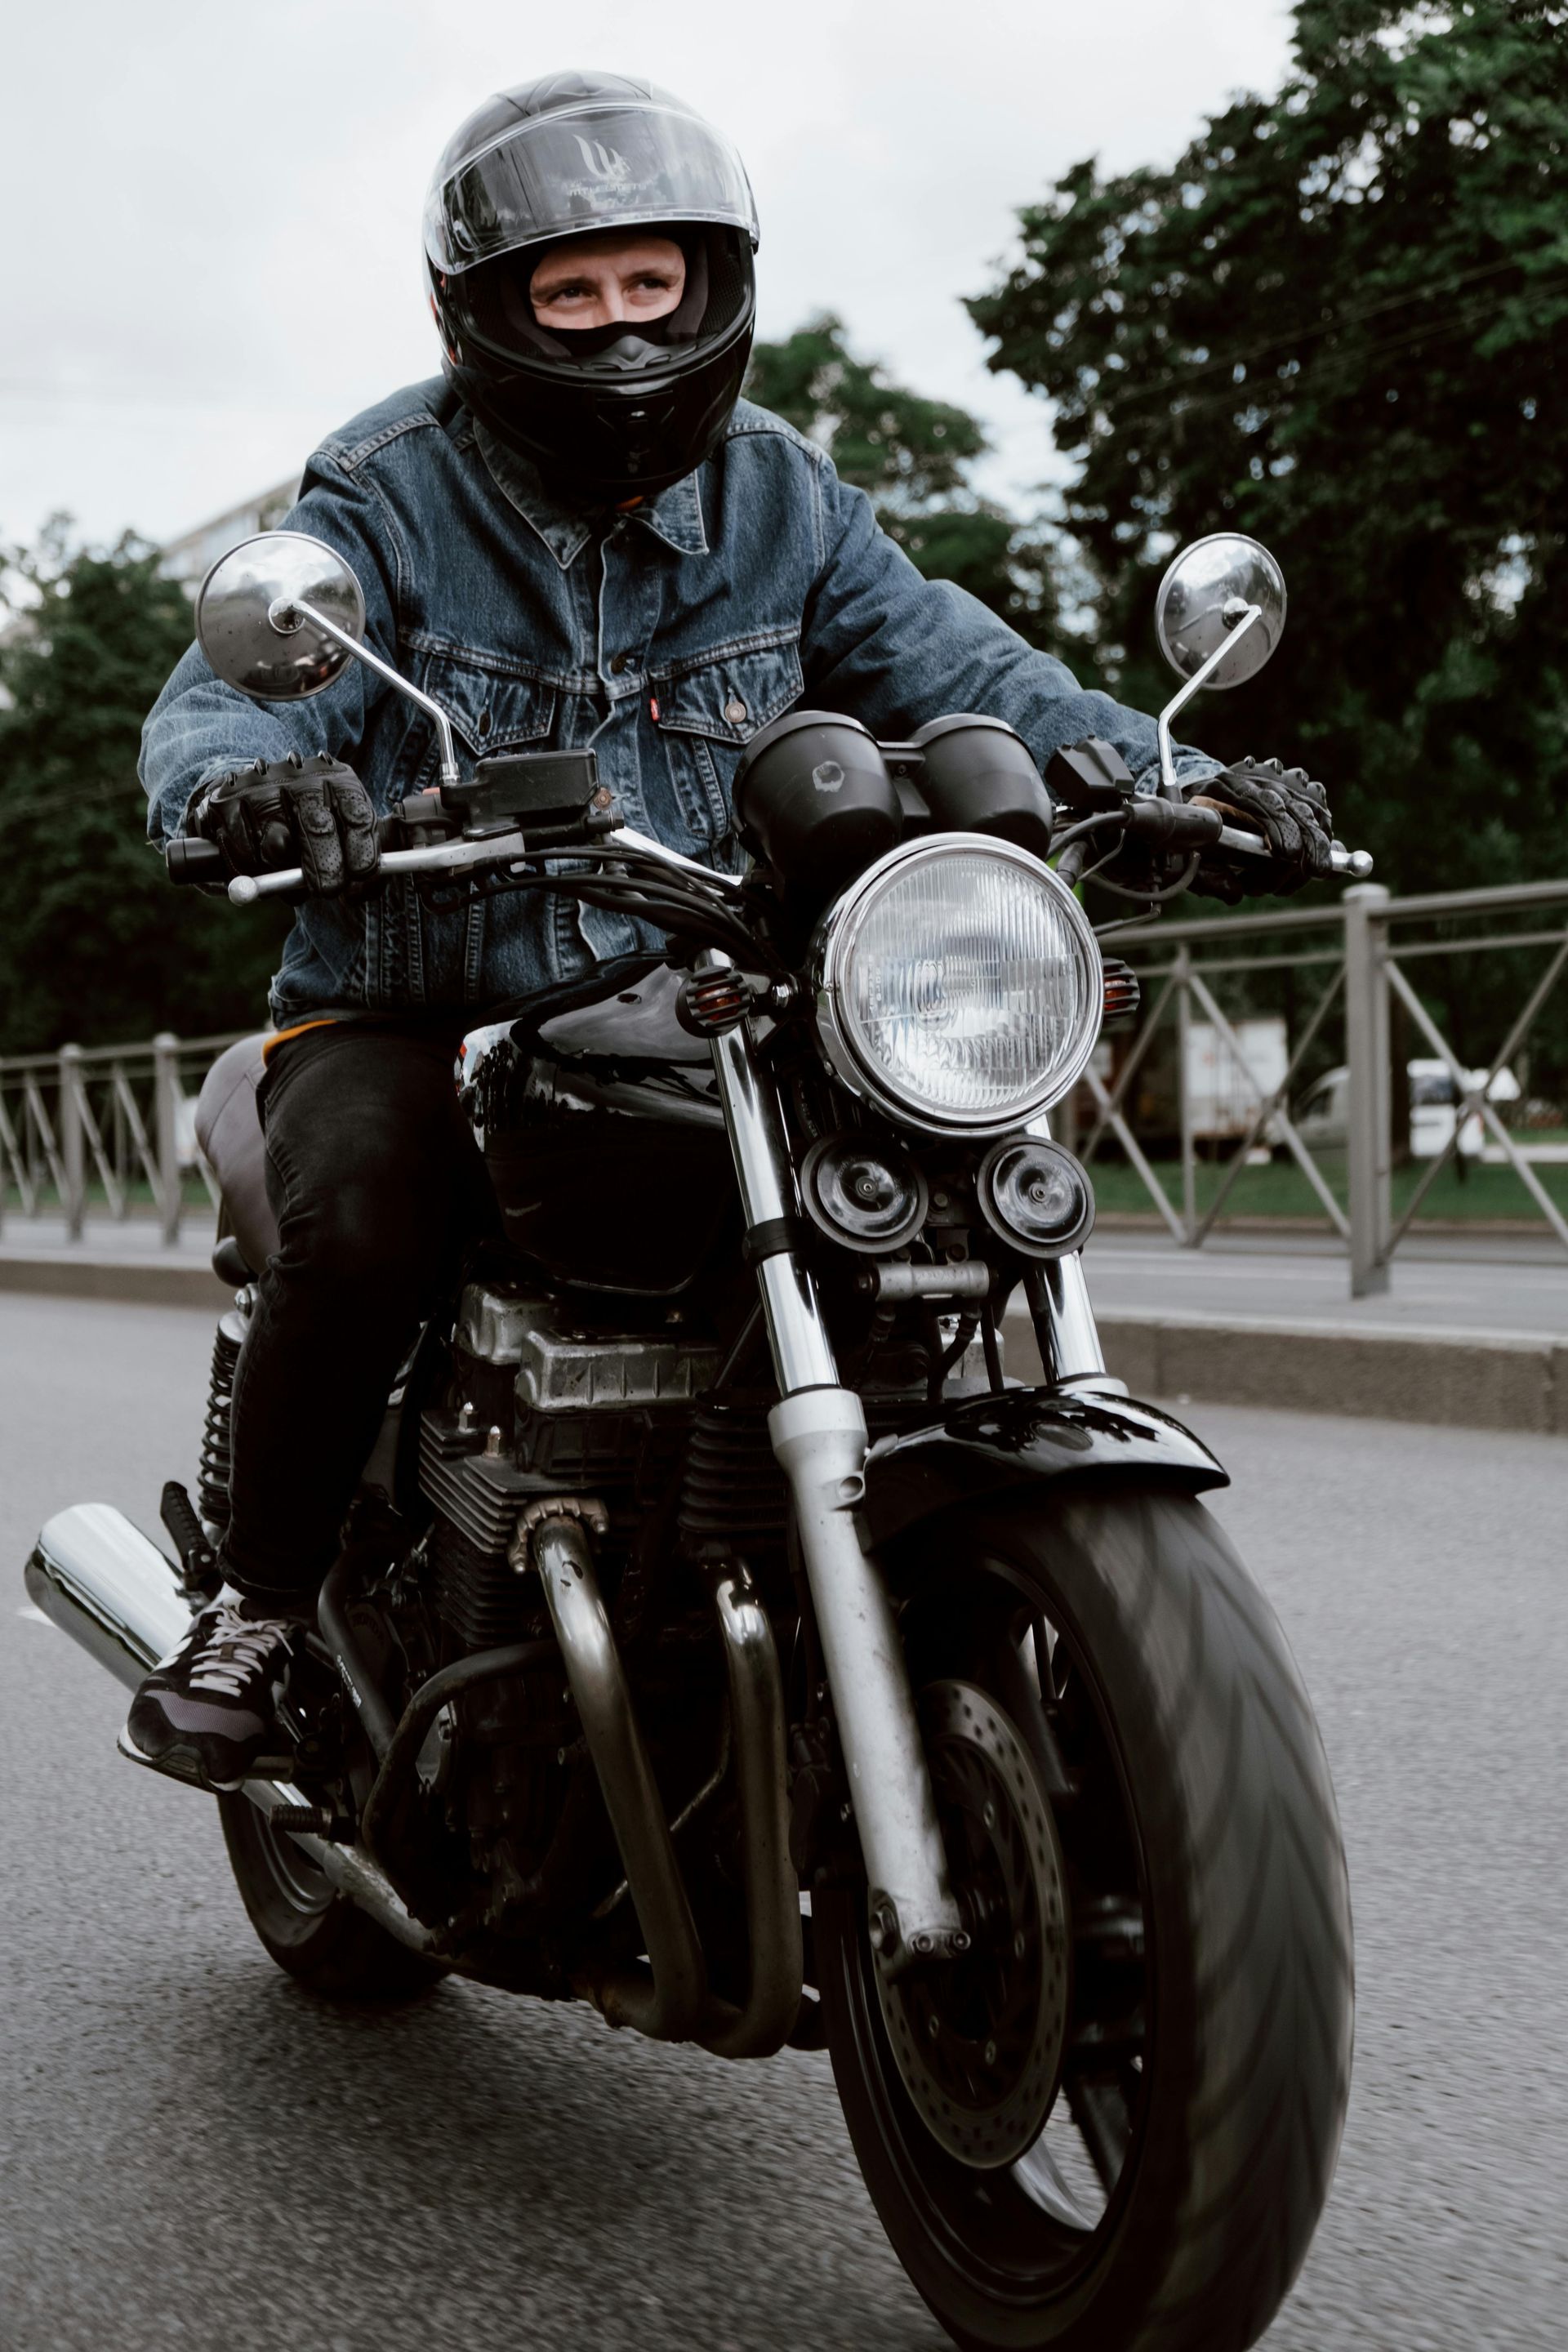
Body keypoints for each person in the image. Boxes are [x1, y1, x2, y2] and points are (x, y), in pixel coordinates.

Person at [129, 69, 1334, 1789]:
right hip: (409, 1000)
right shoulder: (387, 490)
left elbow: (966, 668)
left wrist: (1182, 776)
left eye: (652, 281)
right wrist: (254, 787)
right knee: (370, 1217)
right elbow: (224, 703)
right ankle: (256, 1606)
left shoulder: (786, 495)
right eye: (573, 292)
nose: (624, 328)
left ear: (714, 287)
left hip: (700, 991)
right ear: (484, 311)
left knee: (906, 1195)